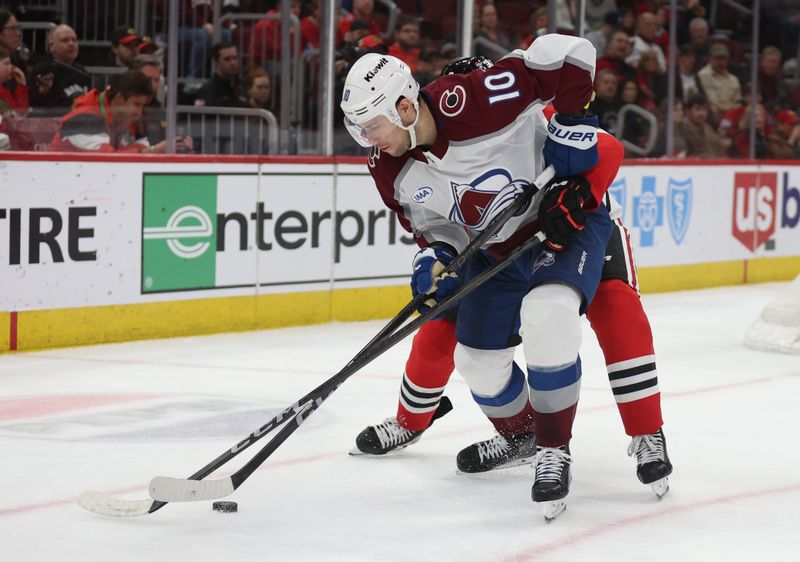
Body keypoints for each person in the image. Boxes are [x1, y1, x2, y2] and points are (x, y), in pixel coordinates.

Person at [340, 37, 658, 520]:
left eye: (372, 127)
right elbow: (436, 228)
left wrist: (576, 146)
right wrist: (435, 260)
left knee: (595, 311)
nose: (369, 140)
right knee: (461, 345)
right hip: (498, 249)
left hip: (565, 229)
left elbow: (603, 144)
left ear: (405, 106)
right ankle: (512, 433)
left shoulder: (491, 105)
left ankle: (632, 435)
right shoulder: (392, 165)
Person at [49, 70, 190, 153]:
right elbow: (110, 162)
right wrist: (153, 151)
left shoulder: (119, 118)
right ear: (119, 98)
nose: (139, 112)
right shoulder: (84, 118)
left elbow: (130, 149)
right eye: (136, 104)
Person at [29, 24, 91, 112]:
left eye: (74, 40)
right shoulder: (43, 70)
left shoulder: (82, 72)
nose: (71, 44)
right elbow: (34, 103)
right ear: (51, 46)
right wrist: (43, 93)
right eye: (65, 40)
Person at [195, 42, 248, 108]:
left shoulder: (243, 86)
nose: (232, 63)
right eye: (227, 59)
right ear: (216, 62)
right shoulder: (206, 91)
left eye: (235, 58)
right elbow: (200, 113)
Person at [0, 44, 27, 114]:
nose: (12, 67)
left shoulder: (4, 91)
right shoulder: (2, 93)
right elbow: (19, 115)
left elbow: (21, 114)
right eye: (7, 63)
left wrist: (21, 85)